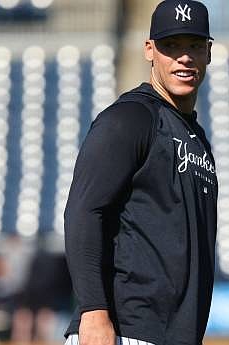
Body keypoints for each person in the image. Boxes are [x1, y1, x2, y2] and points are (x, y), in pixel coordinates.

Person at [63, 1, 217, 345]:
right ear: (150, 50)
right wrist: (93, 311)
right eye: (171, 46)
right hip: (122, 329)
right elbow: (84, 212)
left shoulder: (196, 136)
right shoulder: (130, 118)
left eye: (193, 45)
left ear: (209, 52)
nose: (184, 57)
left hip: (168, 334)